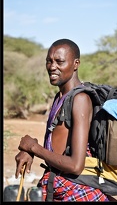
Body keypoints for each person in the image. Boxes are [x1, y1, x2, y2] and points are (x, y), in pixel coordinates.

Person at [15, 38, 109, 202]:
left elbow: (75, 165)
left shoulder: (80, 99)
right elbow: (58, 147)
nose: (52, 67)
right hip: (60, 190)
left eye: (59, 61)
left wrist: (33, 147)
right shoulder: (60, 97)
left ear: (76, 64)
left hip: (77, 193)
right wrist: (30, 150)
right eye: (49, 61)